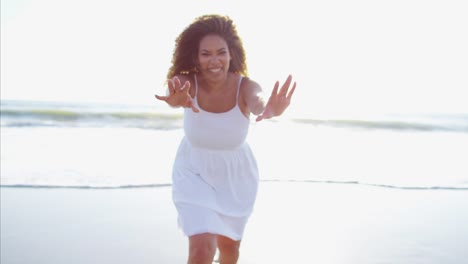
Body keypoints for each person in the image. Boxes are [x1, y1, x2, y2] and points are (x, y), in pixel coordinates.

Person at [155, 14, 296, 264]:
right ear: (195, 58)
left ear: (232, 54)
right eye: (205, 54)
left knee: (229, 250)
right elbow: (174, 88)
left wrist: (270, 109)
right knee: (201, 249)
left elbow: (258, 101)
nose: (214, 60)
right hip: (193, 171)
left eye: (221, 52)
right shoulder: (189, 83)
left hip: (236, 177)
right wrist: (174, 98)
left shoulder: (245, 86)